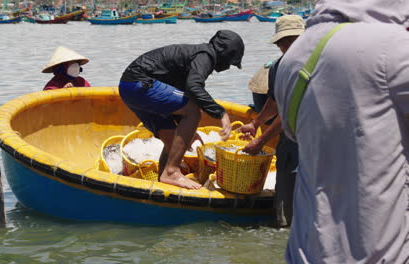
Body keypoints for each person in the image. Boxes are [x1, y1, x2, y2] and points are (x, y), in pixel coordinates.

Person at [273, 1, 409, 263]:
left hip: (306, 250)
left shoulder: (293, 56)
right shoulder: (392, 47)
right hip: (379, 253)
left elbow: (295, 133)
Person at [119, 30, 244, 189]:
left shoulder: (199, 55)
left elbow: (178, 95)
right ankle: (172, 172)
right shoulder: (205, 55)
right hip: (140, 83)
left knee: (172, 141)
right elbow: (194, 87)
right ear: (225, 54)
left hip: (129, 88)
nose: (227, 67)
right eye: (230, 62)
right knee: (193, 110)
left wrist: (188, 131)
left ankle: (164, 182)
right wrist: (221, 114)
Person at [239, 15, 304, 228]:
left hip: (311, 138)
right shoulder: (278, 67)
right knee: (287, 198)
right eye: (285, 41)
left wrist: (261, 141)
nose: (288, 45)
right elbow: (275, 101)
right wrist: (255, 123)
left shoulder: (316, 65)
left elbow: (288, 114)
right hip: (290, 140)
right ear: (278, 44)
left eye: (294, 40)